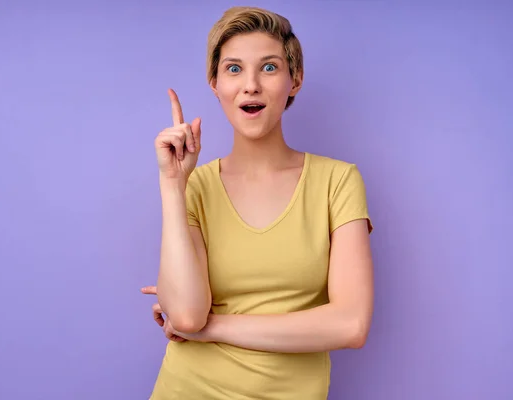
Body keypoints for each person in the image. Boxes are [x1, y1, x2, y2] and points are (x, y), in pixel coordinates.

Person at [141, 6, 374, 400]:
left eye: (269, 67)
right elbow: (185, 316)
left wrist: (212, 328)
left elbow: (351, 325)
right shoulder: (194, 186)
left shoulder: (338, 181)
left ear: (294, 80)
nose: (250, 85)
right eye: (233, 69)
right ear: (214, 83)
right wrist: (171, 184)